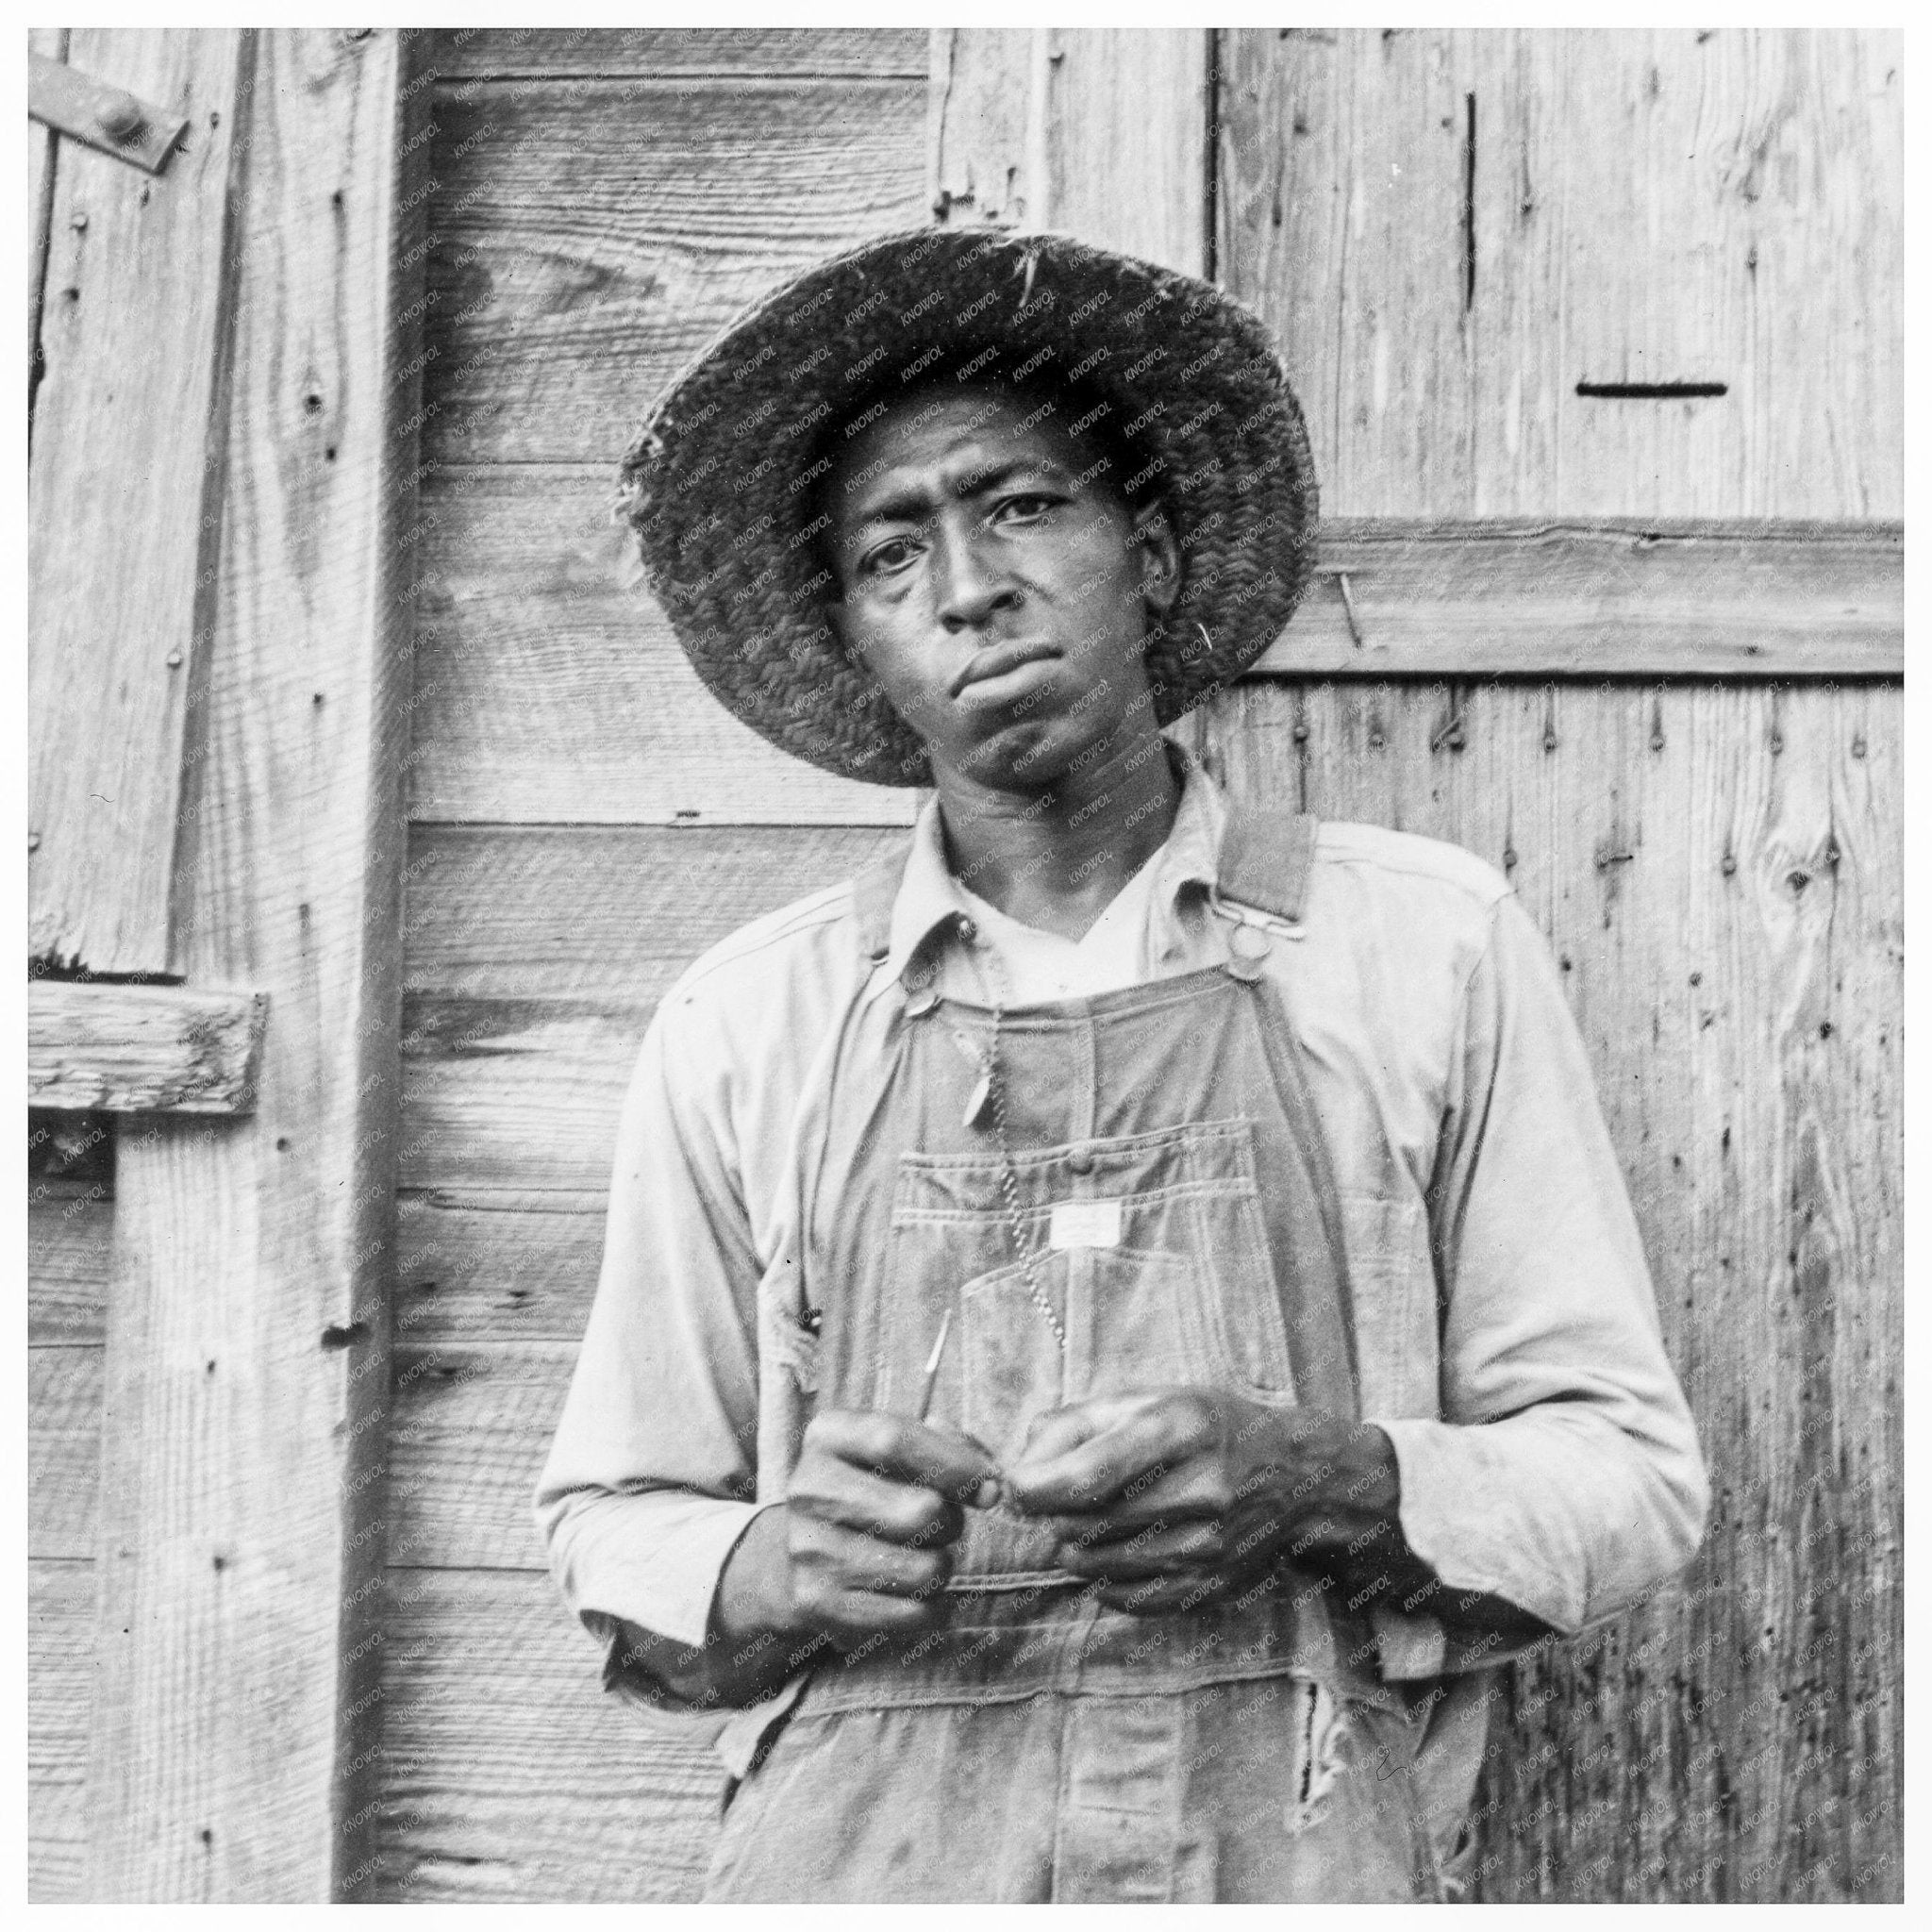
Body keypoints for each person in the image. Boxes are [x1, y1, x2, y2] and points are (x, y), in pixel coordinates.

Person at [534, 227, 1709, 1903]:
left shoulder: (1422, 949)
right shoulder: (755, 1025)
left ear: (1146, 552)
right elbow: (615, 1514)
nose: (967, 587)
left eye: (1019, 506)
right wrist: (773, 1563)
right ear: (863, 644)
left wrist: (1331, 1481)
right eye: (891, 557)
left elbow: (1628, 1479)